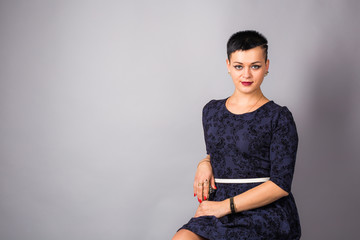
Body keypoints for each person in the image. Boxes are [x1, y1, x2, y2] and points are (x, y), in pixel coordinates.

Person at [172, 30, 301, 240]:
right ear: (228, 65)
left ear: (267, 66)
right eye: (239, 66)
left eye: (255, 66)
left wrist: (225, 207)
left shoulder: (279, 117)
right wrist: (204, 162)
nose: (246, 75)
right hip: (219, 204)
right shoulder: (211, 111)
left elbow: (280, 185)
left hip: (264, 210)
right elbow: (225, 153)